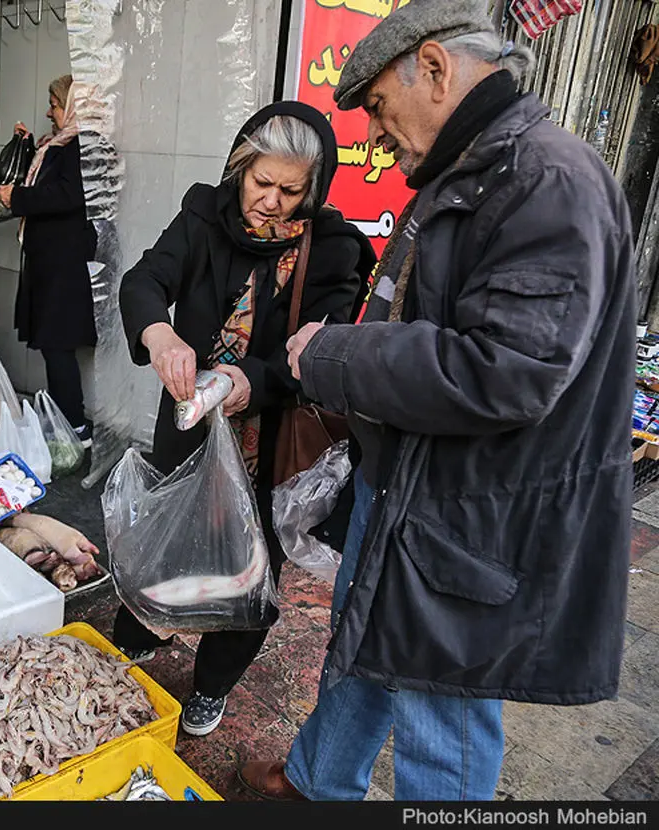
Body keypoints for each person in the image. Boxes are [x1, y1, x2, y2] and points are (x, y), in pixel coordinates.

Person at [239, 0, 636, 801]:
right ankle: (317, 781)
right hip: (411, 488)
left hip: (472, 513)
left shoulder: (545, 180)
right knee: (366, 645)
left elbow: (510, 368)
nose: (378, 134)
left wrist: (337, 354)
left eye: (379, 108)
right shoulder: (473, 171)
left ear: (433, 67)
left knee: (441, 706)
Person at [116, 101, 376, 736]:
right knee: (164, 537)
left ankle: (213, 683)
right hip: (189, 422)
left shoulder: (336, 251)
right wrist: (160, 335)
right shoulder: (206, 215)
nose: (272, 202)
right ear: (240, 169)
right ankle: (138, 638)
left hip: (270, 435)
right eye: (262, 183)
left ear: (314, 189)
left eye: (292, 191)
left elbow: (321, 352)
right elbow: (145, 279)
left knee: (248, 563)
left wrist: (249, 381)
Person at [0, 74, 97, 447]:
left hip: (65, 263)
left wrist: (19, 199)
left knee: (58, 344)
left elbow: (68, 195)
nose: (48, 112)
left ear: (72, 105)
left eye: (54, 104)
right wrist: (23, 146)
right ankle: (64, 419)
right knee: (54, 344)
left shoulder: (83, 145)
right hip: (52, 260)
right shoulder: (62, 144)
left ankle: (75, 427)